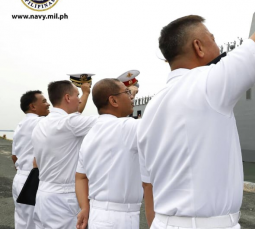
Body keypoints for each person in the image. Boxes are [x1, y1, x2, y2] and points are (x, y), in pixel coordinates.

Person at [137, 0, 255, 229]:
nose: (217, 44)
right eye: (212, 39)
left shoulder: (150, 109)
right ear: (198, 47)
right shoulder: (209, 83)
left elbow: (147, 186)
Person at [75, 79, 153, 229]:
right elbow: (159, 123)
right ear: (113, 100)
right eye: (127, 92)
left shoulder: (91, 133)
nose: (131, 97)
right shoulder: (127, 127)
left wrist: (84, 207)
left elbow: (80, 177)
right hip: (119, 219)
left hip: (97, 214)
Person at [32, 81, 96, 229]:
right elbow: (109, 122)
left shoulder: (40, 124)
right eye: (77, 95)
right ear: (67, 98)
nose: (80, 100)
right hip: (64, 199)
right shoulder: (68, 123)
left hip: (42, 195)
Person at [12, 90, 50, 229]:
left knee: (22, 221)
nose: (48, 104)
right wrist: (85, 93)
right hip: (31, 178)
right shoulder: (39, 122)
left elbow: (14, 156)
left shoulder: (20, 125)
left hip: (20, 177)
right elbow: (66, 119)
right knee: (33, 223)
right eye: (44, 101)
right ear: (33, 106)